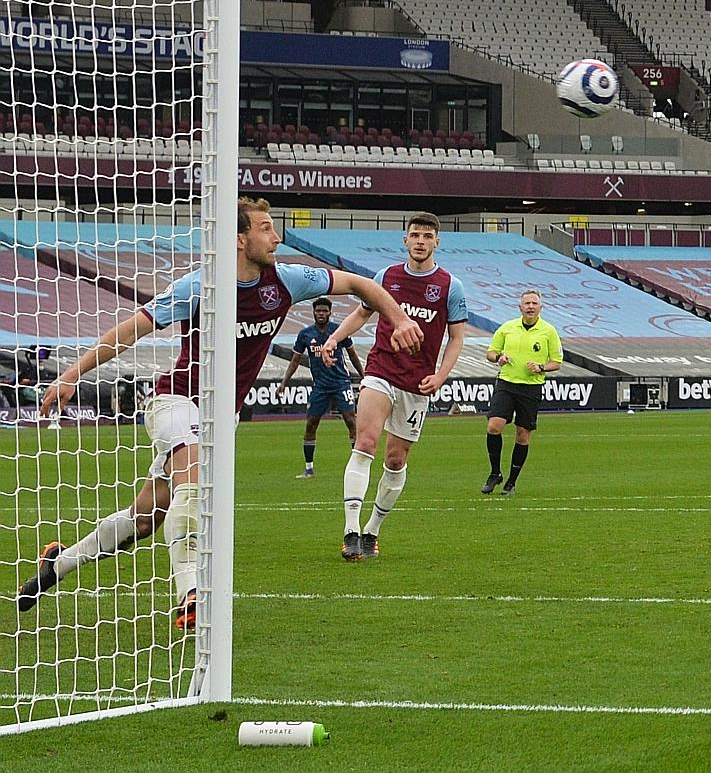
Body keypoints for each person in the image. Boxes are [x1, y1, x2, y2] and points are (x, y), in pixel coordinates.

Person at [18, 198, 422, 625]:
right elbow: (130, 332)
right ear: (239, 238)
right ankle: (191, 592)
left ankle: (57, 565)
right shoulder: (199, 286)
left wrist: (398, 319)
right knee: (191, 485)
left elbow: (363, 286)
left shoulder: (286, 281)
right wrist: (71, 374)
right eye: (267, 229)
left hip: (219, 417)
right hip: (175, 401)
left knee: (144, 519)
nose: (277, 238)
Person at [321, 212, 467, 561]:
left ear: (437, 242)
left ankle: (372, 531)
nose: (420, 240)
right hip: (381, 370)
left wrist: (442, 374)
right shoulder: (387, 277)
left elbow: (457, 336)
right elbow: (362, 313)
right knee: (366, 441)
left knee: (395, 458)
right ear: (405, 240)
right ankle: (351, 530)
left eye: (426, 236)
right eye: (414, 234)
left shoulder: (450, 286)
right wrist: (334, 339)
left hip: (417, 383)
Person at [482, 289, 563, 496]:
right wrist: (498, 357)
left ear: (540, 307)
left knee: (522, 435)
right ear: (520, 307)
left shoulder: (549, 331)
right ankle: (495, 473)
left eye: (534, 303)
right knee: (494, 426)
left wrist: (541, 367)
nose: (530, 306)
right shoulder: (508, 328)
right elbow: (490, 352)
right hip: (506, 384)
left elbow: (557, 362)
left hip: (531, 388)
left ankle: (511, 482)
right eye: (527, 303)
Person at [276, 297, 365, 478]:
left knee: (351, 420)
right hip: (320, 387)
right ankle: (309, 468)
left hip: (341, 383)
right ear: (313, 312)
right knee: (311, 424)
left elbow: (353, 355)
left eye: (325, 311)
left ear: (330, 312)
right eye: (318, 311)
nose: (321, 314)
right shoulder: (306, 334)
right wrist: (284, 383)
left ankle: (357, 467)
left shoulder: (339, 331)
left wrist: (364, 376)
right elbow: (295, 361)